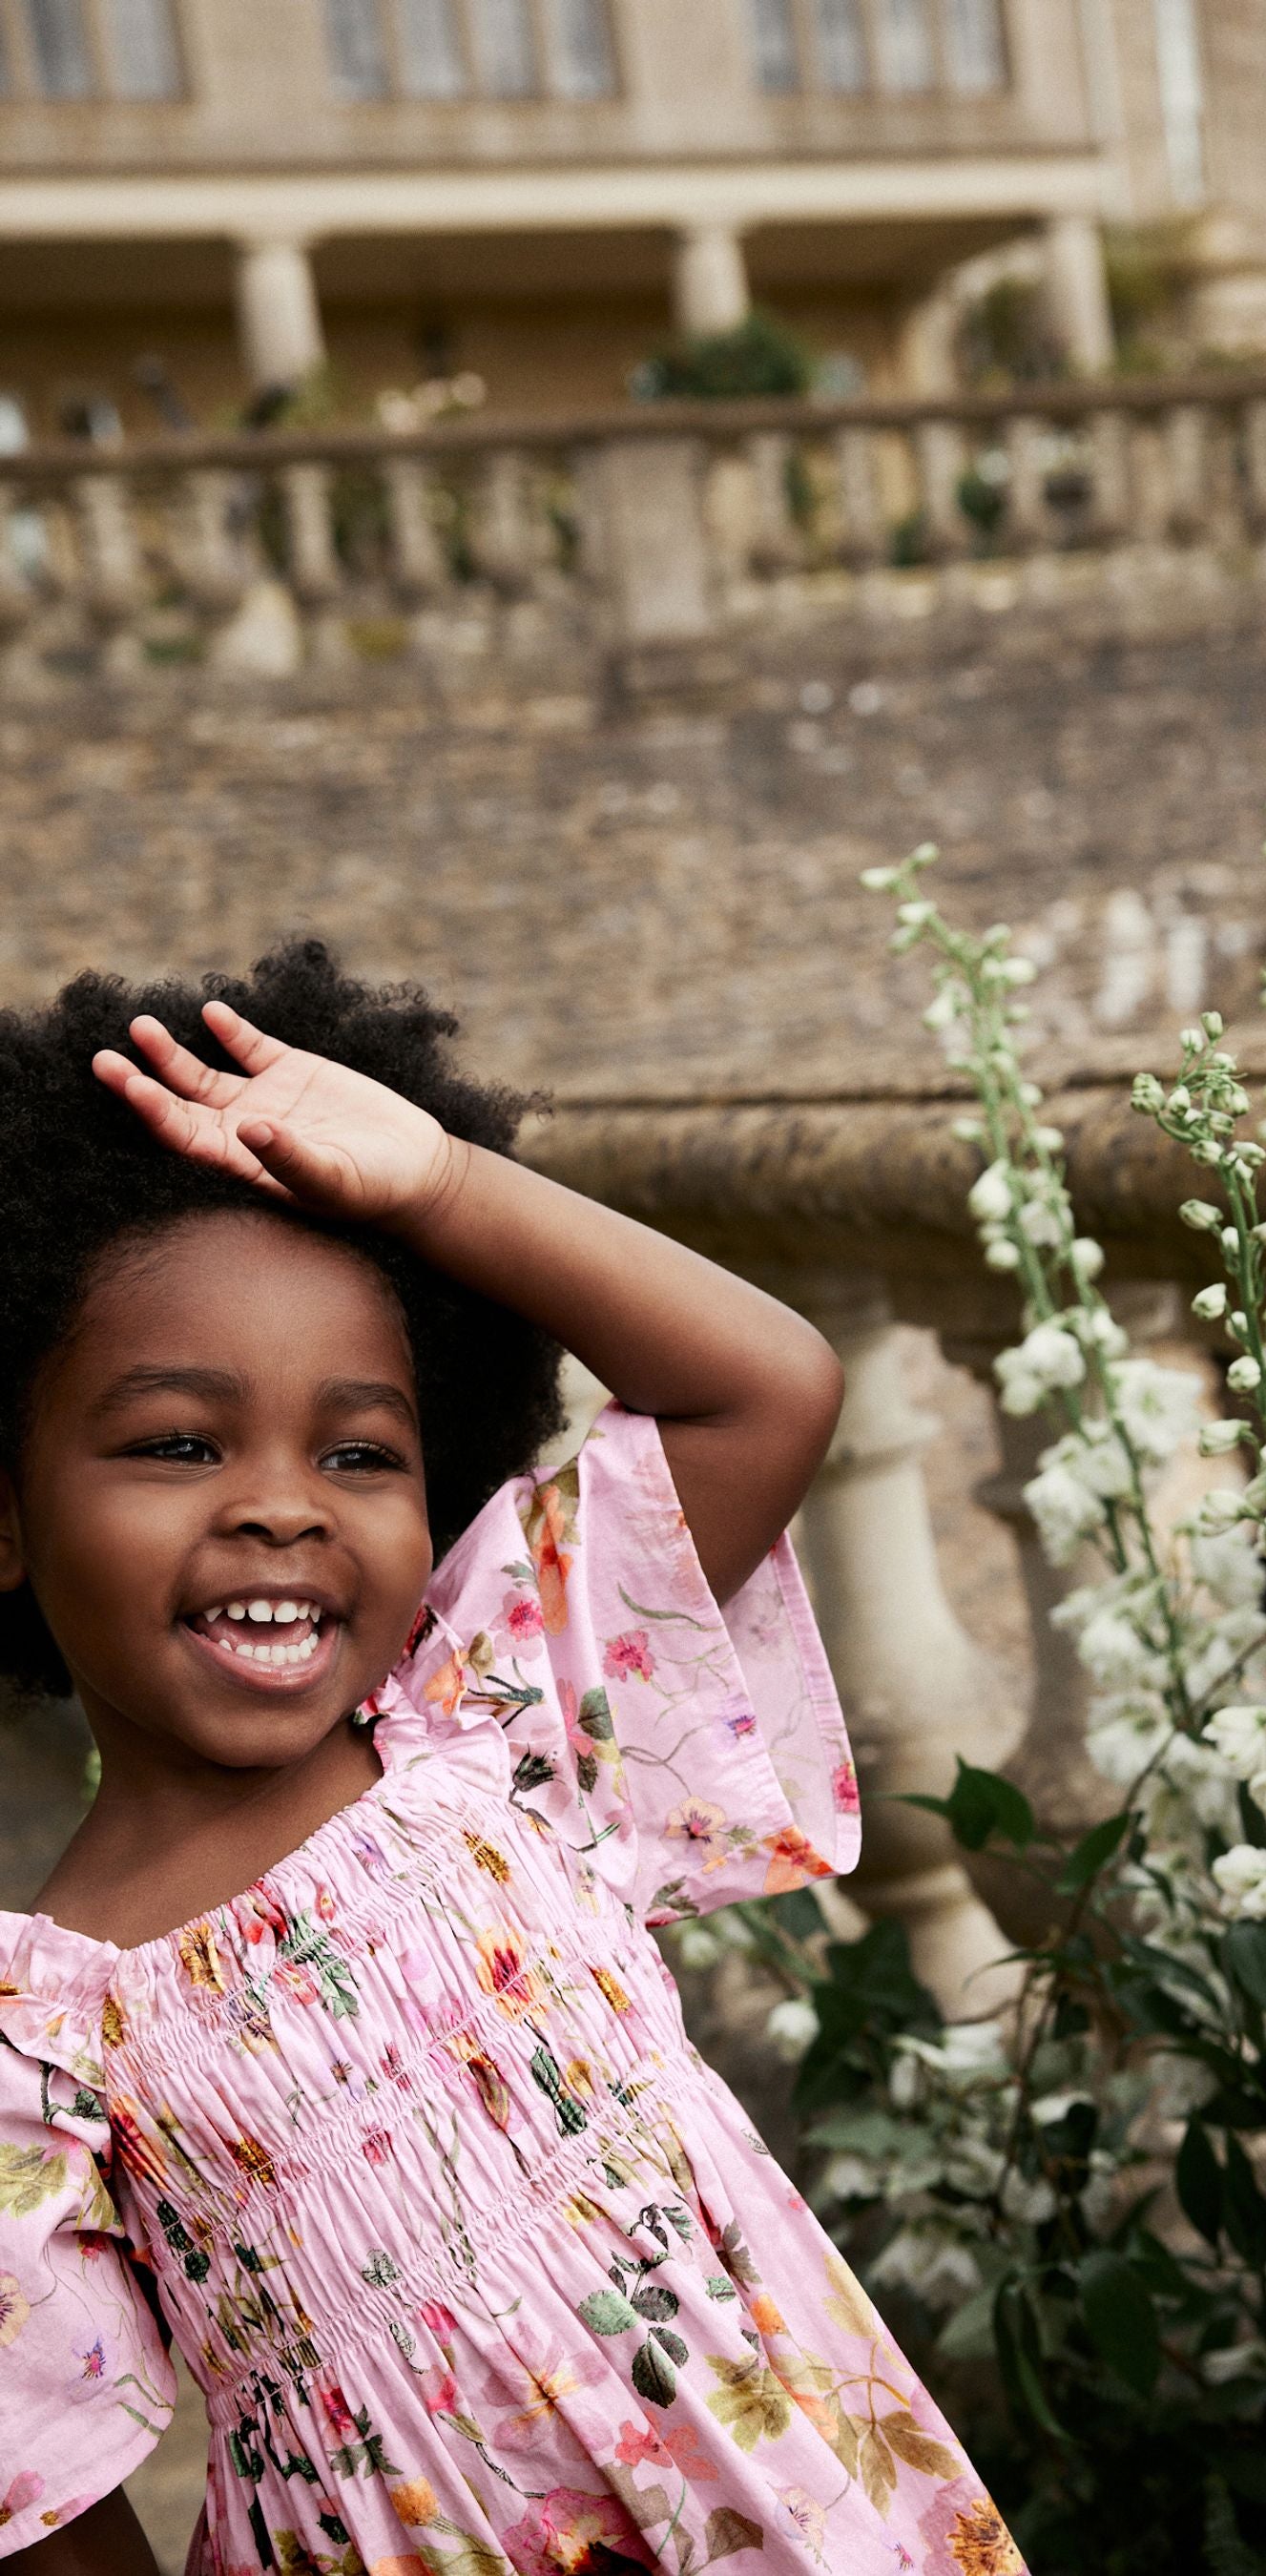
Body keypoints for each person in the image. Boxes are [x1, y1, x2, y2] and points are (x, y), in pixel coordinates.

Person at [0, 944, 1026, 2576]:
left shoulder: (495, 1715)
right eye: (179, 1444)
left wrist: (434, 1181)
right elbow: (36, 2501)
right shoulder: (40, 2042)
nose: (283, 1502)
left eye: (361, 1451)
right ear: (8, 1513)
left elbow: (765, 1386)